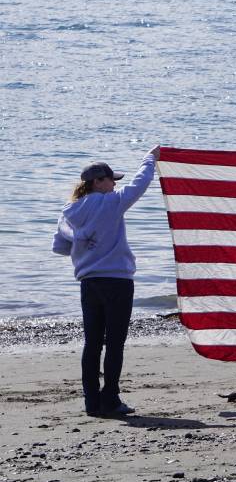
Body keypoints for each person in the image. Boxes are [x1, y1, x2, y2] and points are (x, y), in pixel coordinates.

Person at [52, 146, 160, 417]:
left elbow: (61, 247)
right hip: (117, 281)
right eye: (111, 180)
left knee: (92, 343)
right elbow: (140, 184)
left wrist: (86, 245)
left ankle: (92, 403)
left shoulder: (70, 210)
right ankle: (110, 399)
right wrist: (150, 158)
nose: (114, 185)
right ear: (98, 182)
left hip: (89, 282)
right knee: (114, 343)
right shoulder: (113, 202)